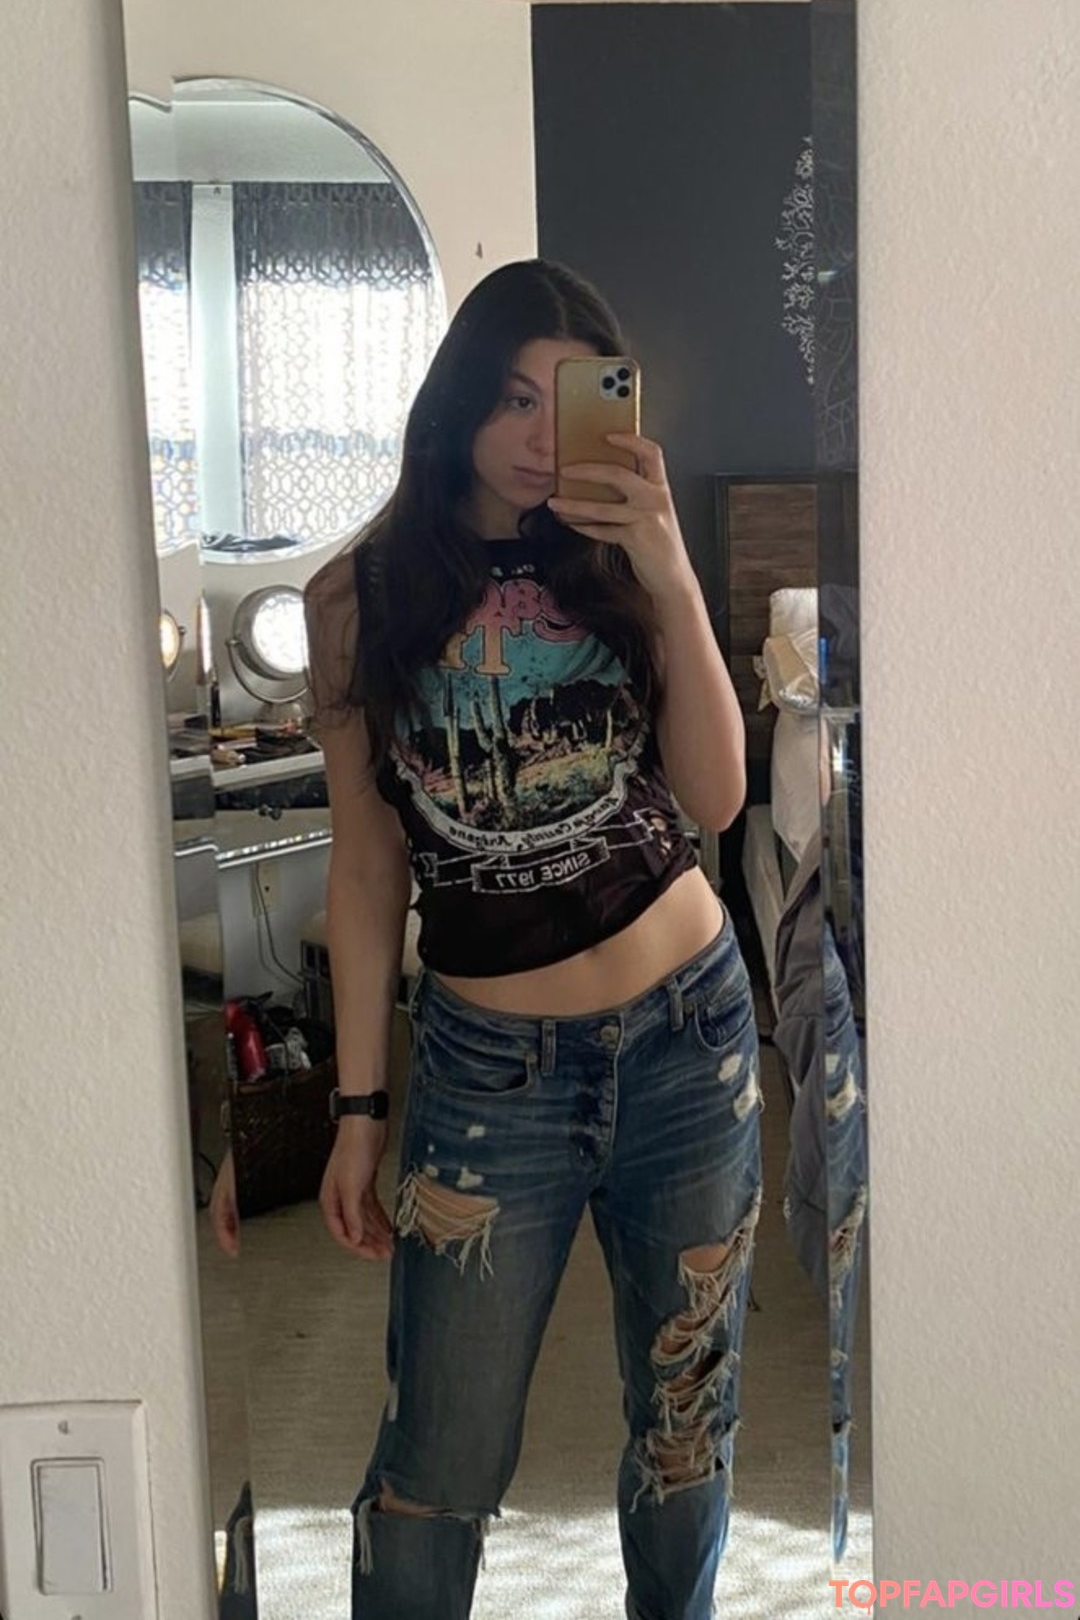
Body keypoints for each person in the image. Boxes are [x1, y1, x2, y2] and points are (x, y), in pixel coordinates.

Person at [303, 258, 763, 1620]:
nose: (539, 436)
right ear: (456, 401)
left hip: (690, 1038)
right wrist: (357, 1111)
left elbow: (716, 799)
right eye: (510, 397)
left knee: (685, 1430)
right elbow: (368, 866)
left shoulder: (624, 560)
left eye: (566, 401)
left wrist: (674, 577)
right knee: (437, 1458)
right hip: (487, 1074)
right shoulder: (357, 598)